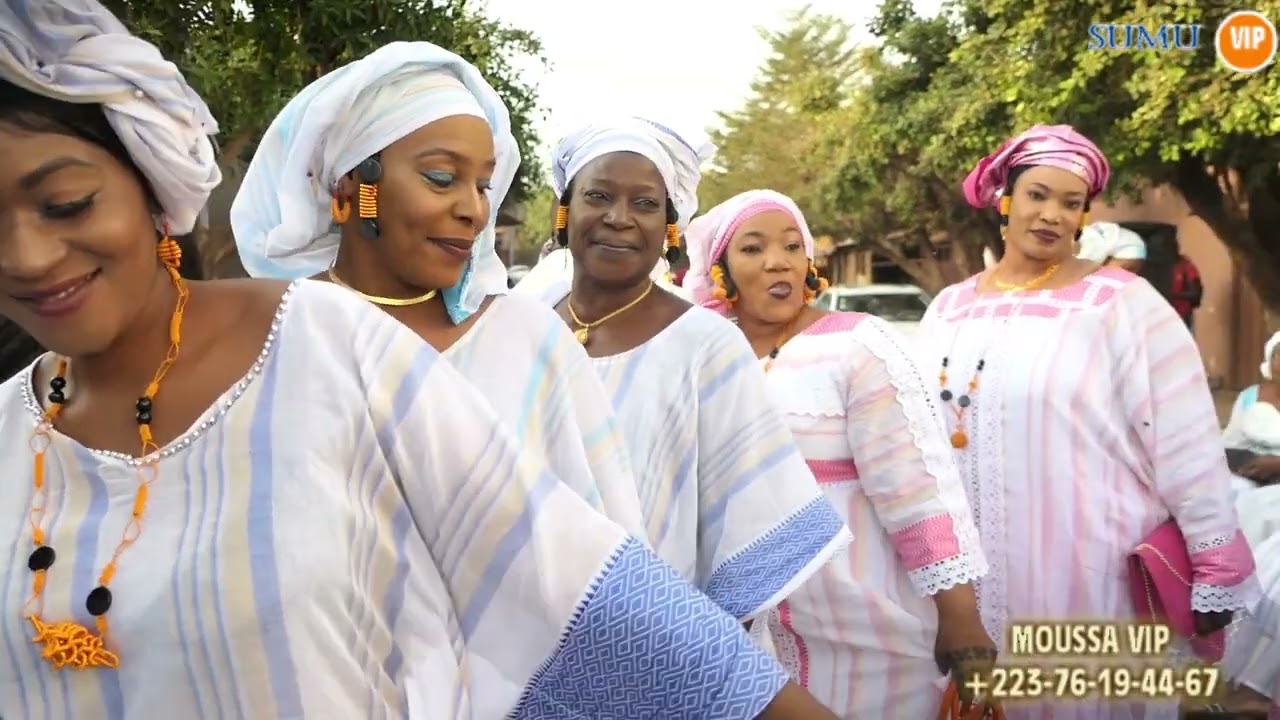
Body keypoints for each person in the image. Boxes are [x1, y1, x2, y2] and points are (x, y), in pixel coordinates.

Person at [0, 4, 841, 718]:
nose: (28, 256)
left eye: (66, 203)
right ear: (355, 187)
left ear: (151, 183)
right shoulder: (16, 431)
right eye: (441, 177)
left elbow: (577, 573)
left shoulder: (325, 341)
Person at [231, 42, 645, 539]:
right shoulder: (266, 339)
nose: (473, 209)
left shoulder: (525, 340)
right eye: (441, 178)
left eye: (484, 185)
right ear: (352, 188)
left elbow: (601, 549)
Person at [917, 124, 1259, 720]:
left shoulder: (1122, 304)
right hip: (967, 581)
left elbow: (1185, 442)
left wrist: (1214, 560)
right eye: (1038, 195)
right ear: (1006, 198)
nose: (1051, 214)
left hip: (1088, 572)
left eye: (1070, 203)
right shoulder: (950, 307)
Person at [684, 189, 995, 718]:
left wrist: (960, 615)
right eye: (753, 249)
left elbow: (915, 486)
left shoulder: (857, 346)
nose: (777, 260)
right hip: (742, 639)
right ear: (723, 271)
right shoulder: (704, 356)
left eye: (791, 245)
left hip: (868, 633)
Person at [526, 117, 850, 623]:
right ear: (564, 212)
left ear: (669, 228)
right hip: (521, 634)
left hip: (654, 639)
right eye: (598, 196)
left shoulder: (706, 347)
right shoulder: (525, 325)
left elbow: (747, 527)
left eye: (645, 204)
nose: (618, 218)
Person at [1076, 221, 1146, 273]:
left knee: (1107, 275)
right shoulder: (1084, 236)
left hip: (1130, 250)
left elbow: (1087, 269)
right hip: (1131, 245)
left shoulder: (1091, 244)